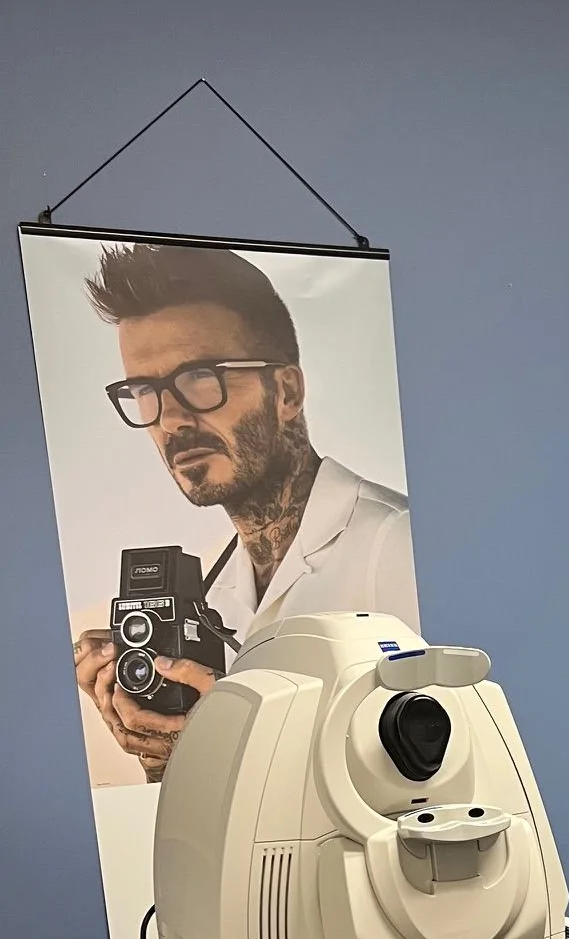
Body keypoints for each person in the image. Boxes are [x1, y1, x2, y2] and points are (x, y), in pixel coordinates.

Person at [72, 242, 418, 781]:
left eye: (199, 379)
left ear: (286, 392)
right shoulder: (207, 603)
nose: (170, 420)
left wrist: (229, 744)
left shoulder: (397, 547)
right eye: (145, 391)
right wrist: (163, 751)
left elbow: (442, 765)